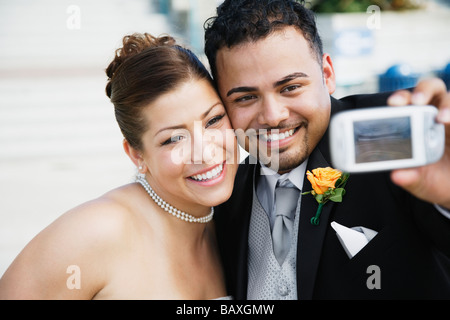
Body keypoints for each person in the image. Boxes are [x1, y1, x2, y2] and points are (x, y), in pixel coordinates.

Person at [204, 0, 450, 299]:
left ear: (328, 74)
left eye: (290, 87)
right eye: (245, 97)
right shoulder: (224, 194)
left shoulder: (392, 136)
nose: (272, 115)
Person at [0, 33, 238, 299]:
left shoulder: (226, 224)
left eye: (213, 120)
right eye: (174, 139)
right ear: (137, 155)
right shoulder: (98, 232)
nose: (204, 152)